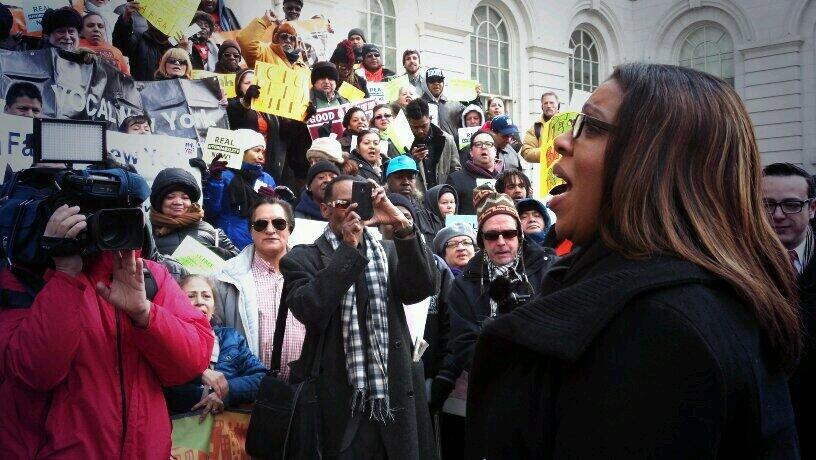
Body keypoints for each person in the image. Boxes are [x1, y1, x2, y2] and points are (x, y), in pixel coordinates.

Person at [466, 63, 802, 458]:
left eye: (590, 127)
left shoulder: (657, 330)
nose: (562, 145)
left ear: (654, 161)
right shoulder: (657, 303)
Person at [0, 186, 214, 457]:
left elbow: (192, 363)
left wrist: (145, 314)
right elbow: (34, 371)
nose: (97, 223)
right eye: (86, 213)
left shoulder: (151, 276)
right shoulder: (25, 276)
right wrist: (65, 275)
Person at [280, 176, 436, 459]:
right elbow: (310, 309)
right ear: (325, 209)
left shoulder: (388, 251)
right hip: (338, 406)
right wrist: (348, 250)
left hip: (393, 400)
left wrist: (401, 226)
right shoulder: (302, 258)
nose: (353, 210)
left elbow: (422, 287)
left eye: (360, 202)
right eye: (343, 204)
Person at [446, 186, 555, 459]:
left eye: (509, 233)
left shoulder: (550, 269)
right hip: (494, 397)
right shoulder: (463, 285)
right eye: (492, 235)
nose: (502, 242)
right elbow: (464, 347)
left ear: (520, 234)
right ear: (482, 240)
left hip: (546, 396)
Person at [215, 197, 305, 377]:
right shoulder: (225, 276)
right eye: (261, 224)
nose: (270, 230)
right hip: (246, 393)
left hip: (302, 393)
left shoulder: (310, 272)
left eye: (279, 224)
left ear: (290, 229)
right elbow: (216, 336)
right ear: (251, 231)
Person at [761, 162, 816, 457]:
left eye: (791, 205)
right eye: (767, 204)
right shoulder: (735, 268)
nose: (778, 215)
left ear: (812, 208)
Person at [164, 275, 267, 417]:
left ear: (214, 307)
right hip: (180, 431)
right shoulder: (165, 339)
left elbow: (262, 378)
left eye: (206, 296)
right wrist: (203, 387)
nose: (200, 302)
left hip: (225, 434)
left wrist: (226, 392)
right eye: (191, 296)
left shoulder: (231, 339)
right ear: (176, 303)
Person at [227, 69, 312, 187]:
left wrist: (303, 117)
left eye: (256, 82)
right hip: (245, 169)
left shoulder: (270, 110)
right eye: (247, 83)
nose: (253, 86)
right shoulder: (234, 106)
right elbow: (233, 116)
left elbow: (287, 134)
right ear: (239, 87)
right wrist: (246, 101)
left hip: (271, 165)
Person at [204, 129, 276, 249]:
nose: (261, 157)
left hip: (260, 238)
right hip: (228, 240)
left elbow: (275, 216)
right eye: (257, 151)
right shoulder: (223, 175)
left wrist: (274, 201)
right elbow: (210, 211)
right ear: (241, 151)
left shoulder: (267, 178)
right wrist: (215, 182)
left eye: (262, 152)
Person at [149, 167, 239, 258]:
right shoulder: (146, 232)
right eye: (170, 197)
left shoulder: (210, 231)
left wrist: (217, 254)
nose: (178, 202)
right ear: (159, 202)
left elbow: (239, 262)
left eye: (185, 198)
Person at [405, 98, 460, 193]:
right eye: (415, 127)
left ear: (430, 119)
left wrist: (447, 193)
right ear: (408, 122)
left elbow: (455, 170)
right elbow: (396, 175)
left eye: (423, 126)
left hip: (442, 197)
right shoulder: (402, 141)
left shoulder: (447, 140)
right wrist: (412, 161)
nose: (420, 131)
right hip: (414, 199)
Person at [113, 0, 174, 81]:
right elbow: (121, 46)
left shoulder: (179, 46)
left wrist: (185, 52)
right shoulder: (140, 40)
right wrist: (125, 18)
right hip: (142, 92)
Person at [446, 130, 500, 215]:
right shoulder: (456, 179)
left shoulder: (505, 179)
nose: (484, 147)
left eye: (488, 144)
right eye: (478, 144)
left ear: (495, 151)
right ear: (471, 152)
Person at [385, 155, 436, 243]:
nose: (406, 182)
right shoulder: (377, 210)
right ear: (388, 180)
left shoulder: (426, 213)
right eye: (399, 177)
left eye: (410, 177)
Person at [422, 67, 480, 141]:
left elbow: (474, 115)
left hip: (451, 149)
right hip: (428, 149)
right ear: (426, 83)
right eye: (432, 81)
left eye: (439, 80)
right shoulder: (419, 104)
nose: (436, 83)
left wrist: (475, 98)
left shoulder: (454, 104)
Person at [237, 10, 308, 70]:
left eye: (292, 38)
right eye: (284, 36)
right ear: (275, 38)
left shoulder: (302, 66)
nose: (288, 40)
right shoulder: (264, 53)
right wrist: (265, 21)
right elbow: (246, 42)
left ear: (296, 43)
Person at [520, 91, 560, 162]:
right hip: (546, 171)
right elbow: (526, 152)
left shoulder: (569, 123)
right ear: (542, 107)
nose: (548, 105)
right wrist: (549, 152)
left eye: (551, 102)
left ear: (558, 105)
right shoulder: (536, 127)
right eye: (545, 103)